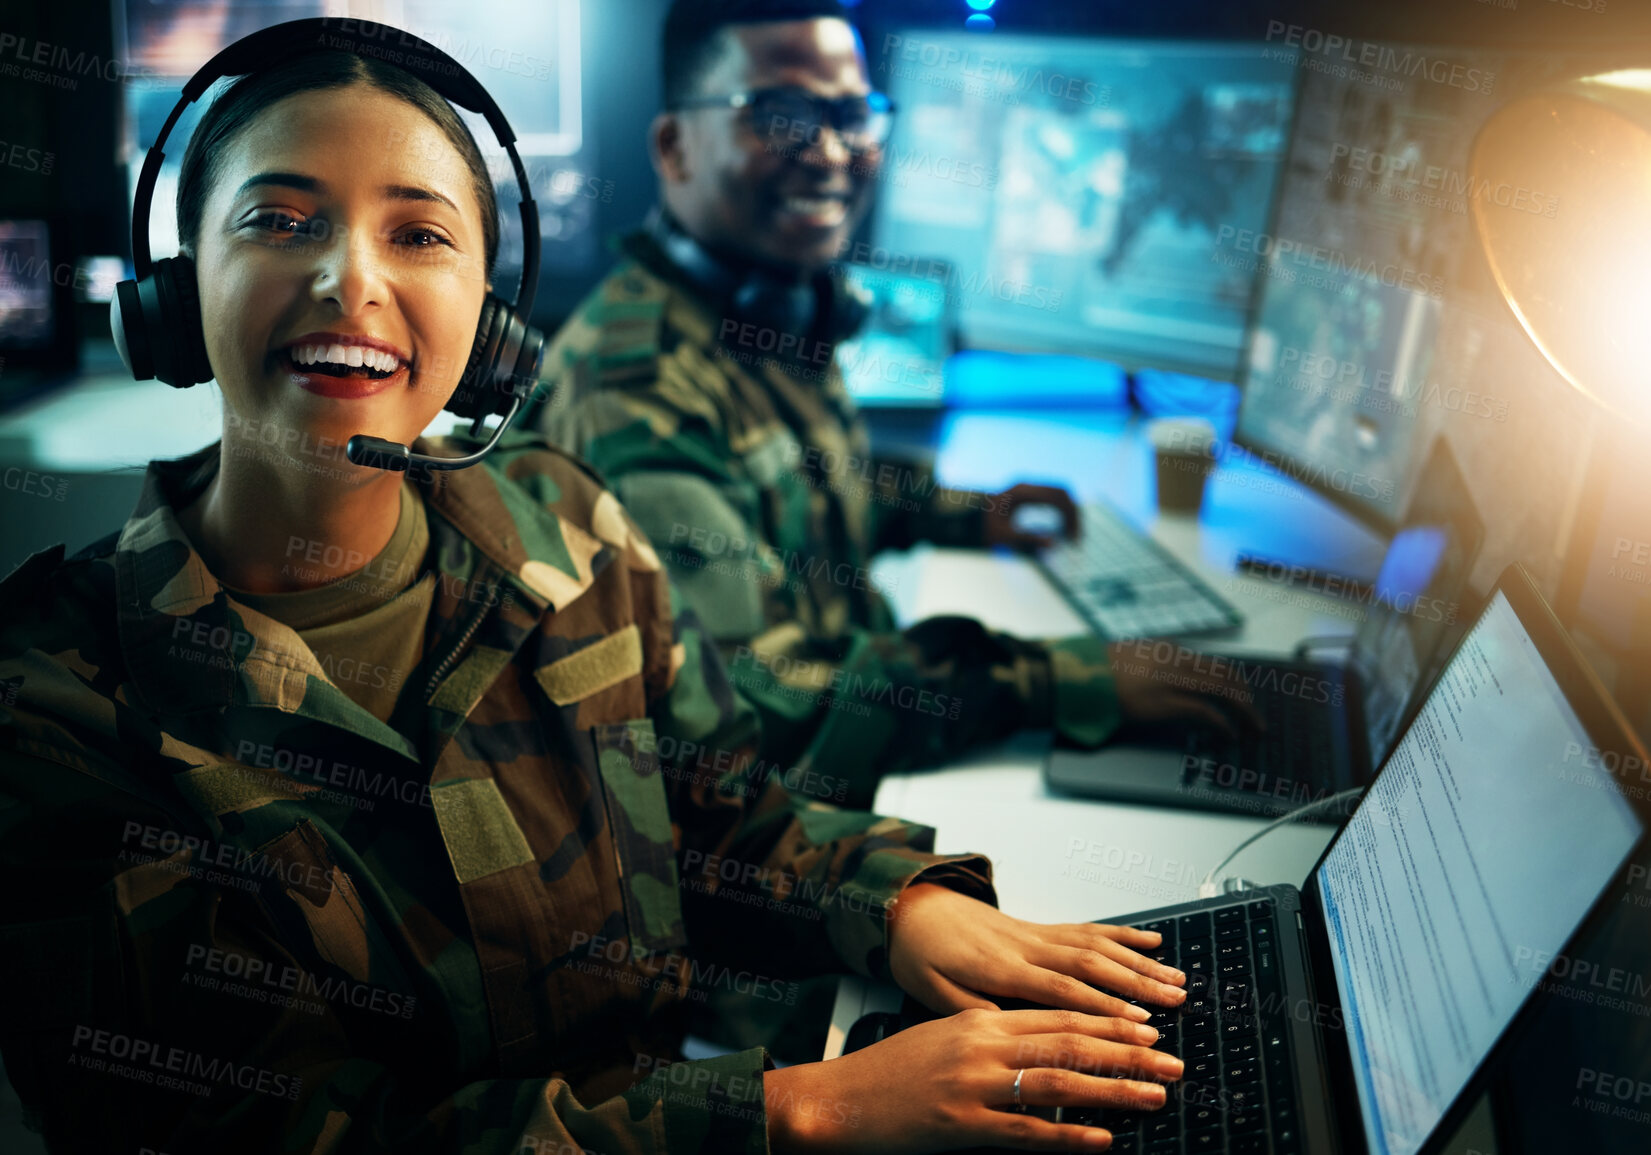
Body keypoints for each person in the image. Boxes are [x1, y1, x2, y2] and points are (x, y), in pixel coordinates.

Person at [0, 34, 1190, 1155]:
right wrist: (798, 1111)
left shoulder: (566, 529)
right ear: (173, 296)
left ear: (491, 324)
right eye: (281, 219)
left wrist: (892, 907)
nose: (349, 280)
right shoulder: (44, 712)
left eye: (418, 233)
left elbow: (716, 813)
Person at [536, 0, 1254, 817]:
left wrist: (962, 512)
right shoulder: (634, 393)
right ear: (674, 147)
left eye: (852, 114)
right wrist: (1056, 679)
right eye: (780, 115)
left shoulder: (773, 310)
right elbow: (759, 709)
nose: (833, 151)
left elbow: (796, 483)